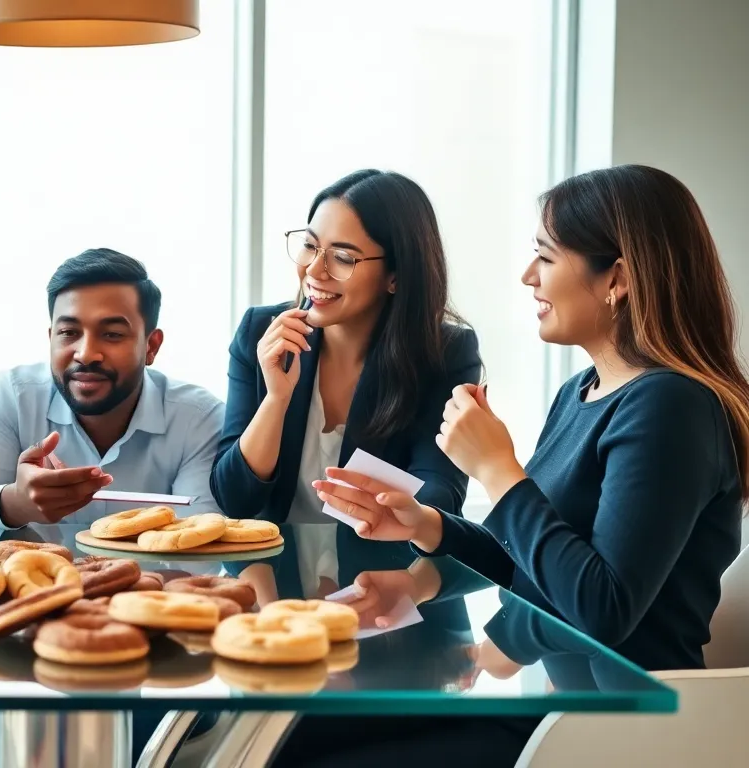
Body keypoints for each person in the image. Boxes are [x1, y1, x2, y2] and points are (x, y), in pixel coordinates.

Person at [302, 164, 749, 765]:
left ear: (617, 277)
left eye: (546, 256)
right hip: (567, 716)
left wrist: (497, 471)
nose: (527, 276)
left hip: (623, 739)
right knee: (307, 738)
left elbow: (600, 607)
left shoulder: (670, 405)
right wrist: (425, 529)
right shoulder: (584, 391)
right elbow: (539, 560)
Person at [211, 168, 482, 527]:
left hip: (382, 573)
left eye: (342, 257)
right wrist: (276, 400)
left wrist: (396, 508)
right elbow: (235, 500)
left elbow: (440, 492)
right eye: (310, 245)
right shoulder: (261, 333)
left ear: (396, 276)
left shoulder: (445, 352)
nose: (314, 270)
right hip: (275, 575)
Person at [0, 248, 226, 529]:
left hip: (154, 583)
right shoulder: (14, 396)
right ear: (51, 338)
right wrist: (16, 502)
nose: (85, 354)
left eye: (112, 334)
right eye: (69, 333)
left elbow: (201, 534)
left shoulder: (199, 417)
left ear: (151, 345)